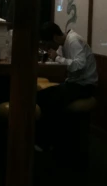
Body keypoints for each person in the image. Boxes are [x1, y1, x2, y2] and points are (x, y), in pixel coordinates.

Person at [36, 22, 98, 151]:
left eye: (48, 44)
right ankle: (46, 139)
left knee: (52, 100)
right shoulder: (64, 43)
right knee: (41, 95)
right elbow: (60, 60)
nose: (48, 47)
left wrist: (57, 58)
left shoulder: (73, 40)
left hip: (85, 86)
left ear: (54, 38)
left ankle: (47, 141)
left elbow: (80, 65)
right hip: (74, 83)